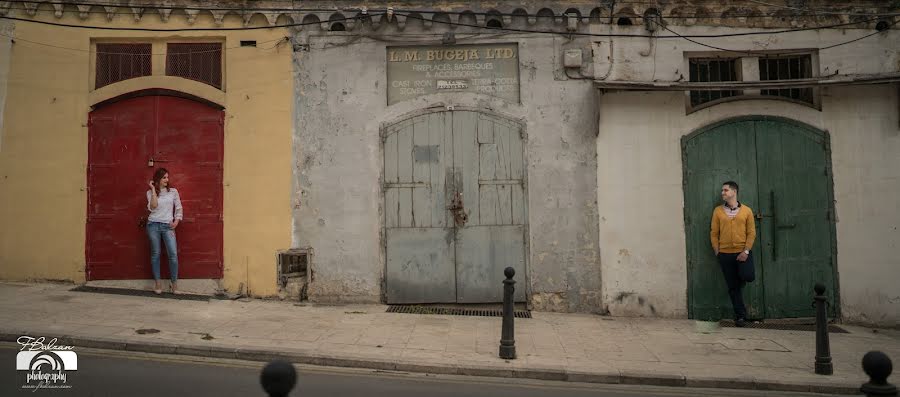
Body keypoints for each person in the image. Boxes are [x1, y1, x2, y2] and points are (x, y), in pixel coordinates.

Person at [710, 181, 756, 327]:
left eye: (725, 190)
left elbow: (751, 233)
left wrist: (746, 251)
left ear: (734, 192)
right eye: (722, 190)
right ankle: (740, 316)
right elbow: (714, 233)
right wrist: (717, 251)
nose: (722, 193)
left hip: (743, 253)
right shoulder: (718, 211)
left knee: (747, 276)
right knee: (732, 287)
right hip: (725, 254)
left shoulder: (747, 211)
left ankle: (739, 285)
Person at [146, 168, 183, 294]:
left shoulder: (173, 192)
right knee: (155, 254)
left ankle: (174, 284)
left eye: (167, 177)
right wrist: (152, 189)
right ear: (158, 179)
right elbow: (153, 206)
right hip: (153, 225)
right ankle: (157, 284)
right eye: (164, 178)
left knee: (173, 254)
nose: (167, 180)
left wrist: (176, 221)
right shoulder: (150, 193)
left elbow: (179, 208)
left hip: (168, 226)